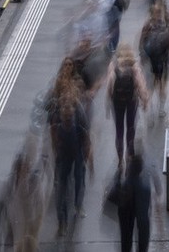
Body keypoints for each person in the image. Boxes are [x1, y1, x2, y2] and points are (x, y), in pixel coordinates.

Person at [51, 99, 92, 235]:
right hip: (65, 159)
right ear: (62, 116)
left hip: (76, 156)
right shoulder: (58, 128)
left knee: (79, 180)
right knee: (62, 191)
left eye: (69, 116)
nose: (67, 117)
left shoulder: (78, 129)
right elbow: (55, 141)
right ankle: (62, 221)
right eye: (65, 115)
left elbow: (86, 140)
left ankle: (78, 205)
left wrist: (86, 158)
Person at [109, 47, 149, 165]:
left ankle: (120, 159)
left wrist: (109, 101)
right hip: (131, 101)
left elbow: (109, 86)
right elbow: (140, 85)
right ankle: (129, 155)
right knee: (130, 128)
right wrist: (144, 100)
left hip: (117, 102)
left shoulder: (113, 65)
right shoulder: (134, 67)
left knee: (119, 129)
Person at [116, 152, 153, 252]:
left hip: (125, 214)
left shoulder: (125, 185)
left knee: (126, 238)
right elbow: (144, 218)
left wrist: (118, 175)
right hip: (140, 215)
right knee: (142, 233)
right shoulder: (144, 187)